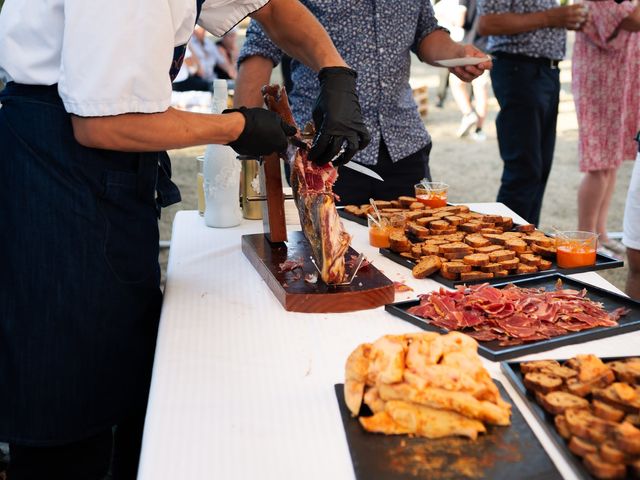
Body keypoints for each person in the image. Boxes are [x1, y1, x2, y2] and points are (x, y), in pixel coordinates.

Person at [0, 0, 369, 478]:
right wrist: (236, 126)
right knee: (67, 393)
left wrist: (336, 73)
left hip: (104, 169)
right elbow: (102, 124)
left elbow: (272, 8)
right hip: (58, 168)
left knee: (123, 366)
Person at [235, 0, 491, 206]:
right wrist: (243, 141)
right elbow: (260, 48)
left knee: (414, 255)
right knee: (332, 262)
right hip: (325, 148)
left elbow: (425, 32)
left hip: (404, 142)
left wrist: (457, 55)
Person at [477, 0, 588, 226]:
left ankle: (526, 244)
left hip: (546, 71)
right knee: (524, 170)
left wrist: (564, 19)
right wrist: (551, 17)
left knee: (538, 169)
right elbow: (487, 22)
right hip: (519, 69)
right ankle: (505, 249)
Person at [573, 1, 640, 258]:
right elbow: (634, 19)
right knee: (598, 164)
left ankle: (600, 233)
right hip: (598, 81)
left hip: (616, 79)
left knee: (610, 163)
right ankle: (585, 237)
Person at [449, 0, 490, 140]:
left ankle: (468, 113)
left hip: (470, 46)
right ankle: (479, 129)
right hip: (488, 46)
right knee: (481, 89)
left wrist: (452, 19)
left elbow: (461, 21)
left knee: (456, 82)